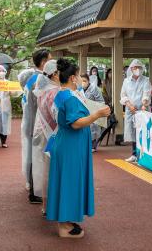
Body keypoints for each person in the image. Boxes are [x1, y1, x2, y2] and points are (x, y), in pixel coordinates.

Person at [46, 59, 112, 238]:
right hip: (71, 145)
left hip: (67, 144)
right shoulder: (69, 97)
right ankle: (64, 226)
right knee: (69, 182)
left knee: (66, 181)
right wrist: (97, 114)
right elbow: (75, 123)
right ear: (73, 77)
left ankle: (65, 221)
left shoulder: (63, 94)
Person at [21, 49, 51, 203]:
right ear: (44, 62)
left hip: (30, 122)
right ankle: (35, 191)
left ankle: (33, 187)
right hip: (36, 123)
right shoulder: (40, 78)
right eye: (50, 60)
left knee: (32, 155)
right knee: (37, 158)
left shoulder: (29, 77)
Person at [31, 60, 60, 208]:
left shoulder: (43, 90)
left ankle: (45, 203)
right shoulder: (55, 92)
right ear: (54, 74)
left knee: (45, 169)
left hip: (43, 133)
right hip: (53, 135)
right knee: (52, 170)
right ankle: (50, 205)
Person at [120, 59, 151, 163]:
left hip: (142, 109)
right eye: (135, 67)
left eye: (139, 67)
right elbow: (123, 95)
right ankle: (134, 154)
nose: (137, 69)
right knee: (133, 132)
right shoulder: (126, 81)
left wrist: (144, 104)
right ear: (131, 69)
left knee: (143, 132)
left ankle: (143, 155)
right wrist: (129, 105)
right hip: (130, 110)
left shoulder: (145, 80)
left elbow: (146, 93)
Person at [80, 73, 105, 151]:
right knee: (84, 129)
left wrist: (93, 107)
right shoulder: (78, 89)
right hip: (82, 113)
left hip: (93, 112)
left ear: (88, 81)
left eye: (85, 81)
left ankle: (93, 146)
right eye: (81, 81)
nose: (83, 82)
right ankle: (87, 145)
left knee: (93, 130)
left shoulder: (94, 89)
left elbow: (101, 101)